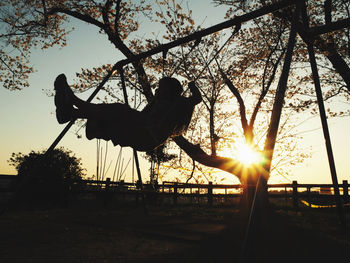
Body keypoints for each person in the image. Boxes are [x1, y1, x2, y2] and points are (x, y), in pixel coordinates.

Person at [54, 74, 202, 151]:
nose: (157, 90)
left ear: (171, 89)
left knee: (120, 110)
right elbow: (142, 116)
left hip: (148, 137)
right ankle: (70, 113)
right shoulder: (158, 103)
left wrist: (192, 85)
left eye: (161, 87)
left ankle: (72, 102)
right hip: (141, 131)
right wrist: (154, 103)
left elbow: (197, 98)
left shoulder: (180, 103)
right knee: (116, 114)